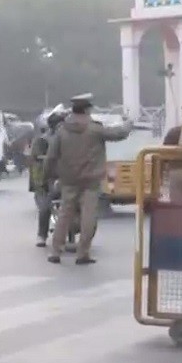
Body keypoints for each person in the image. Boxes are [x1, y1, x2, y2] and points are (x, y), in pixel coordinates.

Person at [43, 96, 132, 265]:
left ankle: (56, 251)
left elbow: (51, 156)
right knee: (88, 216)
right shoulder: (94, 129)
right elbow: (118, 134)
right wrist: (128, 124)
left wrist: (48, 175)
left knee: (64, 214)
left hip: (68, 179)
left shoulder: (62, 130)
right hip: (91, 180)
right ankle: (82, 253)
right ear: (86, 110)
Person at [30, 109, 65, 247]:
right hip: (49, 179)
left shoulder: (71, 138)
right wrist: (42, 181)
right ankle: (42, 235)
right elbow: (36, 162)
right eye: (60, 125)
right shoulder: (42, 140)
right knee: (45, 207)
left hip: (69, 177)